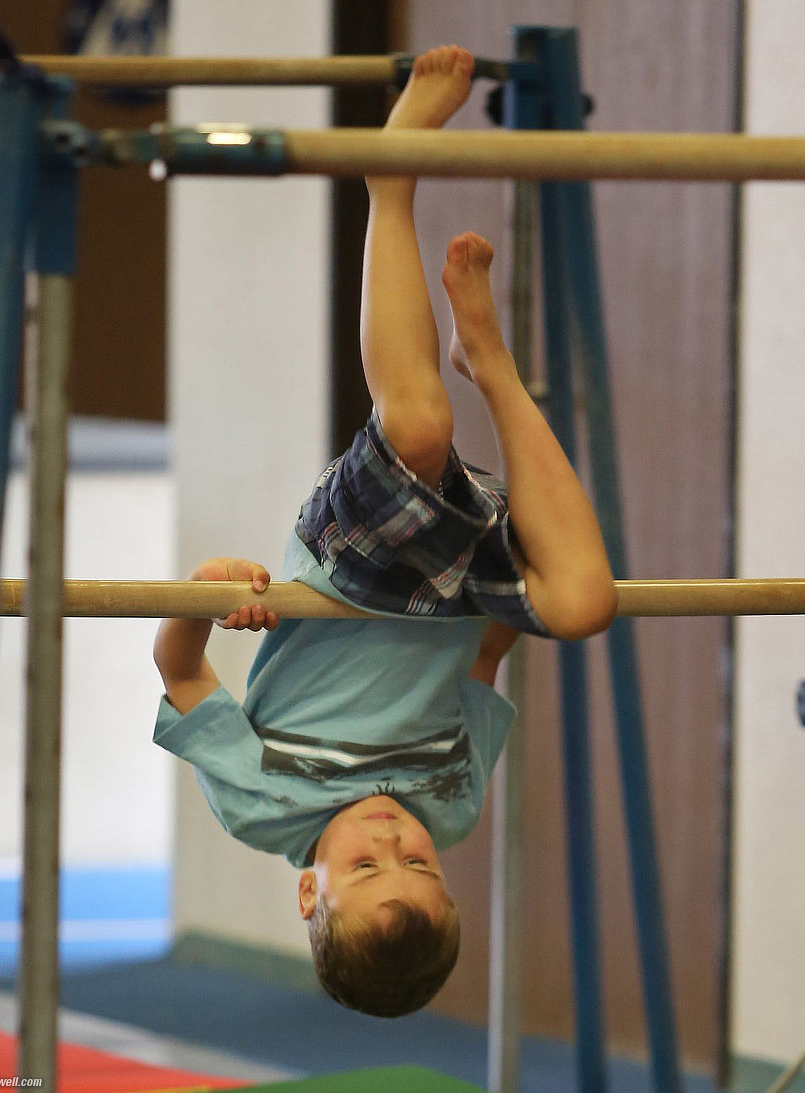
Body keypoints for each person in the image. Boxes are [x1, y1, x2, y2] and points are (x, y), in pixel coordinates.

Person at [152, 45, 616, 1018]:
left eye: (371, 865)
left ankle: (390, 180)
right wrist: (522, 587)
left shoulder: (258, 807)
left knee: (417, 426)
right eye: (419, 864)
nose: (396, 836)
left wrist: (207, 592)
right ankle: (487, 360)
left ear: (310, 889)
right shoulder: (450, 805)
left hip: (353, 573)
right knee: (582, 606)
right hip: (456, 588)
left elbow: (181, 674)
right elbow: (486, 664)